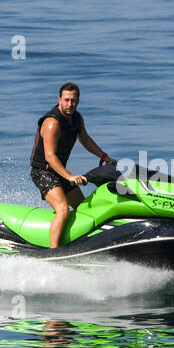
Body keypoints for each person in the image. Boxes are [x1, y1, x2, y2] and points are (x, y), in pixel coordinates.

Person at [29, 82, 113, 248]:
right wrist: (70, 176)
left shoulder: (77, 118)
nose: (70, 104)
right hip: (42, 172)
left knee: (84, 209)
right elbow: (50, 157)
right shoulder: (52, 123)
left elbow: (86, 140)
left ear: (78, 101)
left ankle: (78, 244)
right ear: (59, 99)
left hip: (60, 172)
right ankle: (54, 252)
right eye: (66, 100)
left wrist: (105, 157)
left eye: (73, 100)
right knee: (63, 209)